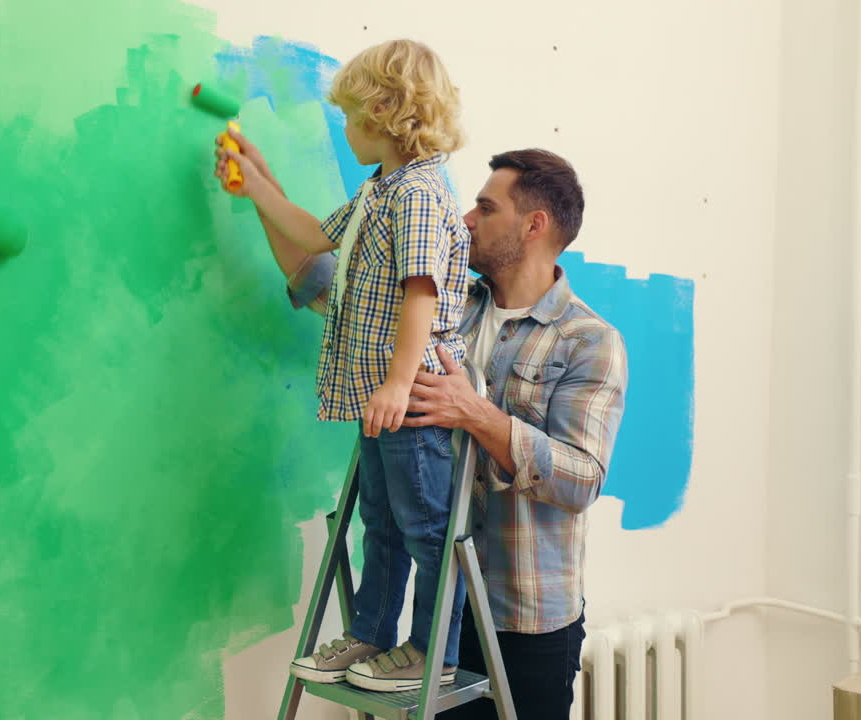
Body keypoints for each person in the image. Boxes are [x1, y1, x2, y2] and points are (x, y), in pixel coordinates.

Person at [287, 149, 628, 719]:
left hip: (524, 621)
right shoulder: (445, 309)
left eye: (486, 208)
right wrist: (260, 193)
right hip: (444, 613)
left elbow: (581, 480)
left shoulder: (589, 341)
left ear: (535, 225)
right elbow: (329, 288)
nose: (465, 219)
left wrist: (476, 414)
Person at [215, 39, 472, 691]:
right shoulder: (379, 190)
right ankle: (371, 634)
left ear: (383, 111)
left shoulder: (418, 194)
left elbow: (421, 291)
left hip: (410, 400)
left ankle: (431, 652)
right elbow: (312, 235)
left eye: (351, 116)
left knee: (425, 530)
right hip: (378, 401)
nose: (347, 128)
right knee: (380, 525)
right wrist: (256, 183)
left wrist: (397, 383)